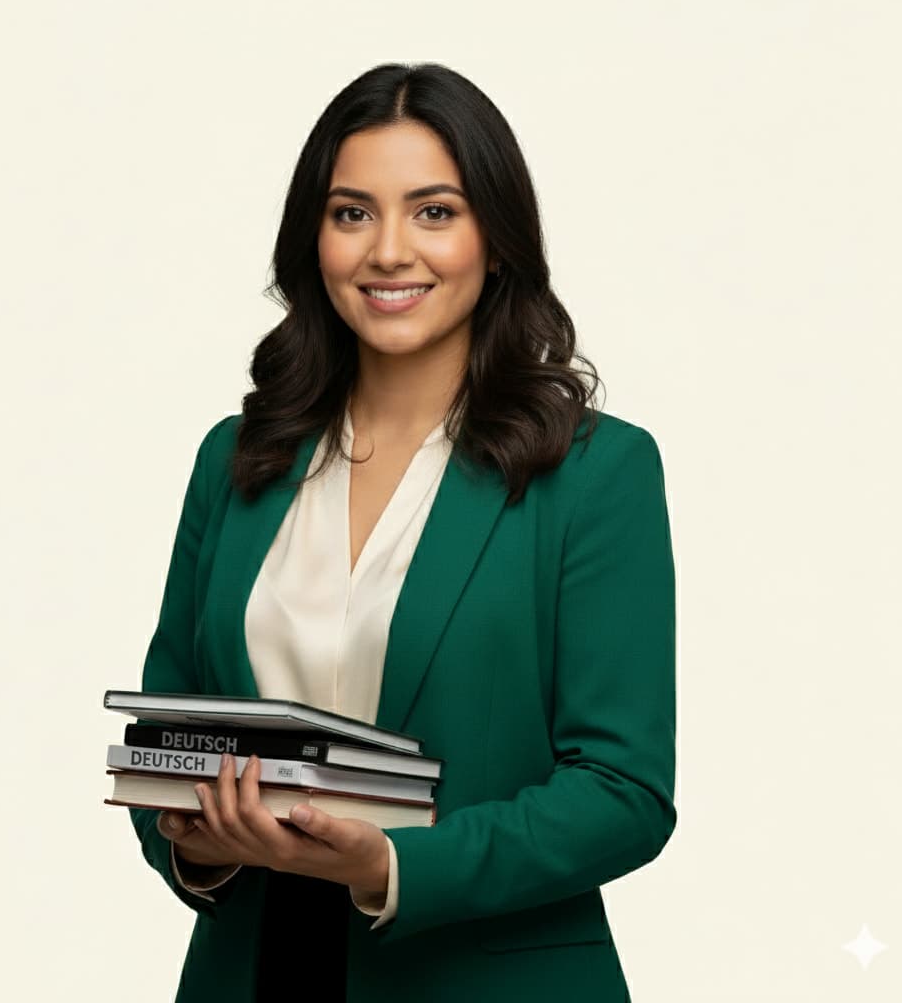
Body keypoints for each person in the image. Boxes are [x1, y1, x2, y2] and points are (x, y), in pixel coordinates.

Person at [127, 61, 676, 1003]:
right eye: (351, 213)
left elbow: (624, 792)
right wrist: (198, 845)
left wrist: (390, 865)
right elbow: (164, 729)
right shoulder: (238, 458)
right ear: (315, 239)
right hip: (254, 971)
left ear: (494, 239)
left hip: (481, 978)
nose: (388, 251)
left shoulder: (595, 472)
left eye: (433, 212)